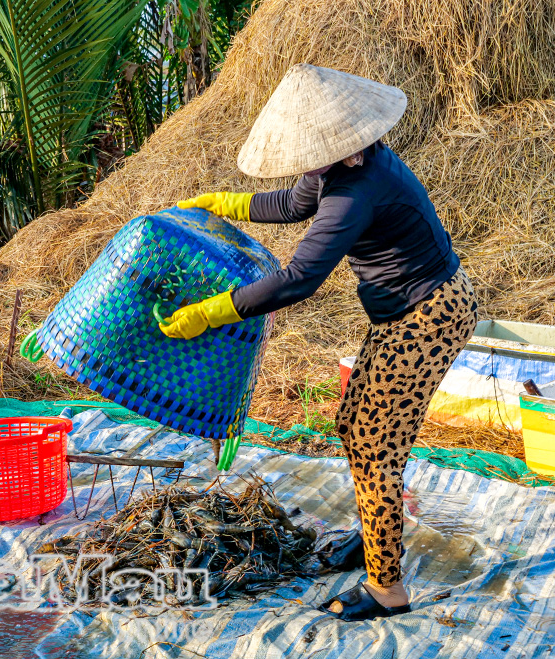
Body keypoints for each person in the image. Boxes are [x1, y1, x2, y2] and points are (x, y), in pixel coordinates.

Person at [158, 63, 478, 621]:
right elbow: (293, 205)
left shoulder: (359, 189)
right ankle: (378, 538)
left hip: (428, 318)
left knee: (376, 444)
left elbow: (298, 279)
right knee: (355, 425)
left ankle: (387, 589)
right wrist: (227, 203)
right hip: (403, 314)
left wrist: (210, 314)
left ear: (339, 142)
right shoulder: (343, 160)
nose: (307, 163)